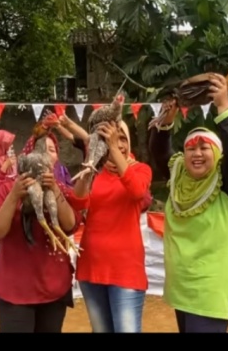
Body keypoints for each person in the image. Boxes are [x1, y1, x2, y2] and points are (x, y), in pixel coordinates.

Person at [148, 74, 228, 333]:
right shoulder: (178, 177)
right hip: (181, 287)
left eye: (204, 148)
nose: (196, 153)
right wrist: (166, 120)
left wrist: (222, 107)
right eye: (190, 149)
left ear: (217, 154)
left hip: (211, 290)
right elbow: (160, 153)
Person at [0, 132, 81, 333]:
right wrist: (14, 196)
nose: (46, 155)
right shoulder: (7, 188)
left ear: (56, 158)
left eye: (52, 150)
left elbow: (70, 224)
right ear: (29, 155)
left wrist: (54, 189)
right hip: (15, 292)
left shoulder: (61, 189)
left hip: (54, 288)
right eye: (41, 150)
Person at [71, 120, 152, 333]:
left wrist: (114, 149)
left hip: (125, 271)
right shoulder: (95, 171)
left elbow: (137, 192)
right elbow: (77, 202)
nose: (117, 143)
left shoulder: (141, 170)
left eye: (122, 138)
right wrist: (90, 164)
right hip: (91, 268)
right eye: (109, 139)